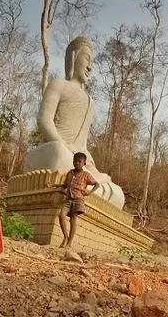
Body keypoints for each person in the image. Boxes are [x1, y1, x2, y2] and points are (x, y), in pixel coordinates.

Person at [23, 36, 125, 209]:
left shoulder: (89, 102)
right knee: (59, 154)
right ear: (73, 57)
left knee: (118, 194)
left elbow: (82, 145)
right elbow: (44, 121)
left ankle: (88, 180)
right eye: (87, 58)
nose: (90, 67)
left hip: (77, 159)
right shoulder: (58, 85)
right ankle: (84, 179)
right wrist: (65, 146)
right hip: (55, 150)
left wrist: (91, 168)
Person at [54, 152, 99, 248]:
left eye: (79, 161)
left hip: (78, 199)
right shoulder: (70, 173)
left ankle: (69, 243)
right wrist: (54, 185)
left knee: (73, 220)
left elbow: (97, 184)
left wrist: (89, 192)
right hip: (68, 199)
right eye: (75, 161)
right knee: (61, 215)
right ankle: (65, 237)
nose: (77, 163)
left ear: (84, 163)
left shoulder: (86, 175)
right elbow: (65, 185)